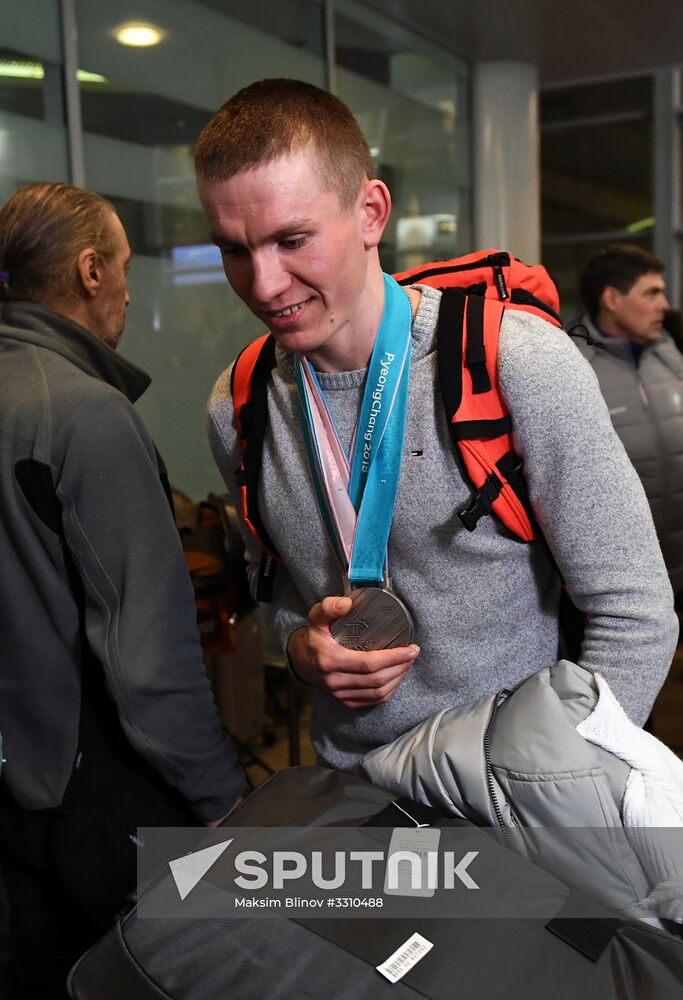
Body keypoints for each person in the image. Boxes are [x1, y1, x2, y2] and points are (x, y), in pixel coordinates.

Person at [197, 79, 678, 776]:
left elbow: (633, 610)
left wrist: (555, 786)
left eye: (291, 240)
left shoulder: (514, 362)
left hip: (524, 797)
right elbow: (280, 603)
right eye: (235, 250)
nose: (264, 284)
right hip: (356, 792)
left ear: (370, 212)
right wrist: (303, 652)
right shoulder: (237, 406)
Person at [0, 182, 244, 999]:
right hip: (97, 797)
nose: (134, 293)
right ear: (91, 270)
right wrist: (220, 797)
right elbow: (147, 658)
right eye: (128, 268)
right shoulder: (83, 415)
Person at [568, 244, 683, 598]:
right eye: (651, 293)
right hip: (623, 575)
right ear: (612, 299)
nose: (664, 304)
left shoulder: (670, 351)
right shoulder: (572, 363)